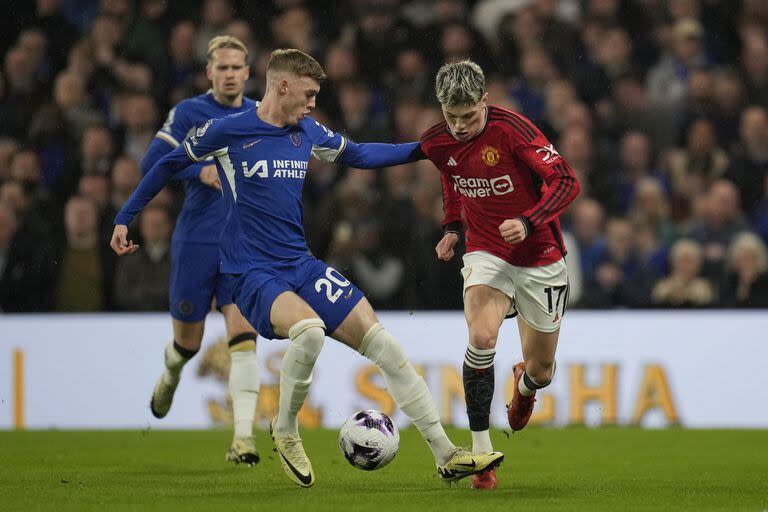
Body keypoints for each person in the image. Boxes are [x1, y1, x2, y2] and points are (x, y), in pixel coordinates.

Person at [111, 49, 503, 488]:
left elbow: (360, 156)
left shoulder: (306, 131)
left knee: (387, 348)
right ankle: (285, 428)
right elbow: (167, 163)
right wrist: (126, 216)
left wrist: (426, 148)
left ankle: (446, 454)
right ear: (282, 86)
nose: (314, 102)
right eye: (310, 93)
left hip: (299, 263)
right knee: (310, 331)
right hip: (251, 273)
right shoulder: (228, 131)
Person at [420, 60, 580, 489]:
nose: (459, 127)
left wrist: (530, 220)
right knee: (481, 338)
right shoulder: (437, 141)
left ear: (485, 101)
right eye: (451, 117)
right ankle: (480, 457)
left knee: (542, 370)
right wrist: (453, 227)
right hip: (487, 251)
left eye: (469, 116)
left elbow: (566, 182)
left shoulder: (515, 131)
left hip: (540, 255)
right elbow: (452, 176)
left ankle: (524, 386)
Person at [137, 36, 261, 466]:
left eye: (236, 67)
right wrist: (199, 170)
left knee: (243, 335)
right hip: (196, 240)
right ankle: (171, 373)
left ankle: (243, 438)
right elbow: (150, 163)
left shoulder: (262, 113)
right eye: (221, 67)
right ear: (209, 73)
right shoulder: (189, 113)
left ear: (248, 72)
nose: (229, 74)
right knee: (187, 343)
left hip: (244, 243)